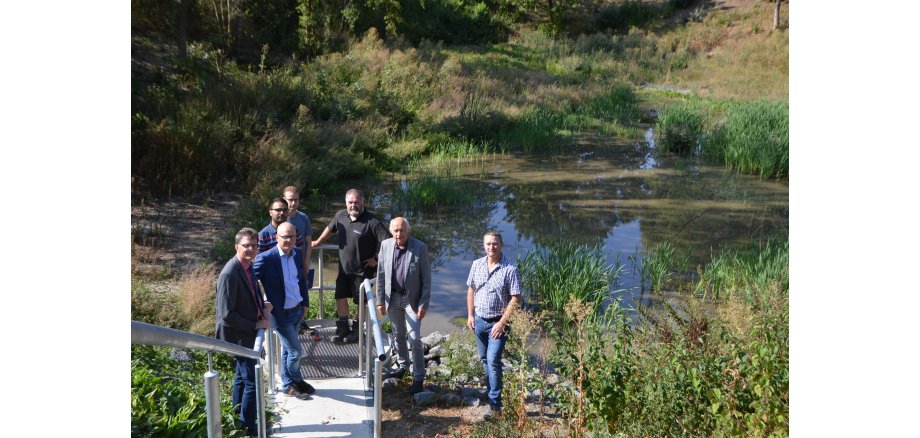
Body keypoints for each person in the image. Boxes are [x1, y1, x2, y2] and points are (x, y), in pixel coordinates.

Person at [215, 228, 273, 436]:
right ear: (236, 247)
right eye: (246, 245)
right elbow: (226, 314)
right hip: (238, 335)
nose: (251, 249)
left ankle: (237, 417)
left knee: (241, 377)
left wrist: (263, 306)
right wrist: (255, 325)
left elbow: (252, 292)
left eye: (254, 245)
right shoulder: (230, 273)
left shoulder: (248, 266)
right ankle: (249, 427)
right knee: (252, 382)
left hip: (245, 332)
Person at [312, 189, 390, 343]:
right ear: (346, 203)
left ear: (362, 202)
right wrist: (317, 242)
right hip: (344, 269)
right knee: (340, 297)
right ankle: (343, 327)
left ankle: (358, 330)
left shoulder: (372, 222)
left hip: (363, 272)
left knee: (360, 302)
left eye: (356, 202)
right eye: (350, 202)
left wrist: (377, 259)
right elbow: (330, 228)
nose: (353, 205)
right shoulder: (341, 215)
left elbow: (389, 242)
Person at [253, 222, 314, 400]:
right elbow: (250, 281)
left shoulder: (297, 254)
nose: (288, 240)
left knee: (288, 350)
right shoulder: (266, 258)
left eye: (292, 237)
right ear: (276, 237)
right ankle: (295, 380)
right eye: (284, 237)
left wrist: (305, 303)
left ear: (296, 237)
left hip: (297, 310)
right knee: (296, 352)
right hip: (281, 314)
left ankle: (289, 384)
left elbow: (301, 280)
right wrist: (261, 305)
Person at [466, 230, 521, 419]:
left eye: (495, 243)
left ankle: (496, 406)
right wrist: (470, 315)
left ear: (501, 245)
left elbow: (516, 298)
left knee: (494, 361)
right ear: (484, 245)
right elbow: (471, 290)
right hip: (479, 320)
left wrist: (502, 323)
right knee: (484, 360)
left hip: (499, 323)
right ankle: (491, 391)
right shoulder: (476, 264)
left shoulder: (510, 269)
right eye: (488, 244)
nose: (492, 247)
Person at [375, 217, 431, 394]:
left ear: (408, 231)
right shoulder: (386, 245)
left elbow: (427, 280)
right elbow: (381, 274)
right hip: (392, 299)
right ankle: (403, 366)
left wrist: (423, 304)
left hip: (411, 300)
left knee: (414, 338)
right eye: (396, 231)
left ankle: (419, 377)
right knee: (398, 335)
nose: (399, 234)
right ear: (391, 231)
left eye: (402, 230)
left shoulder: (419, 247)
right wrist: (379, 300)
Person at [282, 185, 314, 276]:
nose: (293, 203)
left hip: (299, 262)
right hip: (283, 261)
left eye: (296, 200)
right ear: (284, 199)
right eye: (290, 200)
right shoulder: (280, 217)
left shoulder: (304, 218)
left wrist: (307, 263)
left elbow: (308, 242)